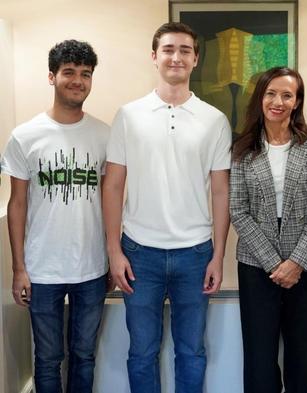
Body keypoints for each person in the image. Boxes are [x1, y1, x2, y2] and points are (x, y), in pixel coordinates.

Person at [102, 22, 231, 393]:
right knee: (141, 352)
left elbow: (220, 192)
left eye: (185, 50)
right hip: (139, 253)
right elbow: (112, 186)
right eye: (169, 49)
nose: (177, 56)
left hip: (195, 253)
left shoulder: (214, 120)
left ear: (195, 59)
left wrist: (217, 256)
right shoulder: (128, 115)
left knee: (191, 351)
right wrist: (114, 251)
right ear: (154, 56)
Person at [2, 39, 109, 393]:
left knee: (84, 355)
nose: (77, 80)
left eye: (85, 74)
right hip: (42, 267)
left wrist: (111, 257)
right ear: (52, 77)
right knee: (47, 358)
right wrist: (19, 268)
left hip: (92, 267)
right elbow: (17, 204)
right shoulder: (24, 136)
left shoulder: (105, 135)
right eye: (69, 72)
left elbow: (113, 202)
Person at [229, 66, 307, 393]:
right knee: (260, 356)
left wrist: (296, 262)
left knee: (302, 354)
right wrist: (274, 264)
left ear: (297, 101)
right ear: (260, 98)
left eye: (287, 95)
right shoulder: (242, 149)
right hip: (256, 265)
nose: (278, 101)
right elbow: (238, 210)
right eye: (271, 93)